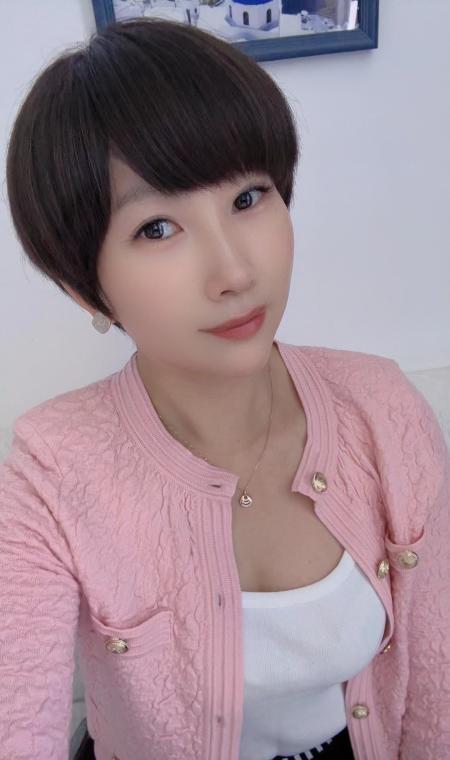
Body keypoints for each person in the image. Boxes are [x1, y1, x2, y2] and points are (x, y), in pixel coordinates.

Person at [1, 16, 449, 760]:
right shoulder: (50, 474)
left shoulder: (384, 409)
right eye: (156, 228)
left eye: (248, 198)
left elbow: (435, 685)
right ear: (84, 288)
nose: (235, 272)